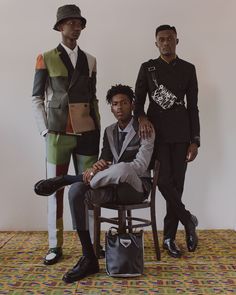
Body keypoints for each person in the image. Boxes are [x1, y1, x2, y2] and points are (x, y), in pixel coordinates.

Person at [34, 84, 155, 282]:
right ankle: (88, 257)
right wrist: (99, 165)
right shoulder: (108, 131)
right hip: (110, 186)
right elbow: (105, 160)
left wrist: (106, 169)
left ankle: (66, 178)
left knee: (124, 168)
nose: (119, 107)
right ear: (110, 107)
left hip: (135, 187)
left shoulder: (145, 128)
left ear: (132, 105)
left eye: (124, 103)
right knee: (76, 191)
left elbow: (140, 167)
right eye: (115, 104)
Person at [32, 4, 100, 265]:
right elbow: (36, 97)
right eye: (70, 22)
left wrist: (96, 127)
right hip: (58, 134)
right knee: (54, 190)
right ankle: (54, 245)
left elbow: (93, 98)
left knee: (89, 188)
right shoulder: (45, 57)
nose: (75, 26)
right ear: (60, 27)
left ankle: (93, 242)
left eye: (78, 22)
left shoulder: (91, 60)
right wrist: (45, 129)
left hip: (87, 133)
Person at [134, 25, 200, 258]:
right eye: (161, 39)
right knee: (162, 182)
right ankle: (188, 219)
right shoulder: (148, 68)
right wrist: (141, 118)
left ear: (177, 41)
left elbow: (192, 107)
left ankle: (169, 238)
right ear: (156, 43)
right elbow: (137, 102)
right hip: (157, 135)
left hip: (182, 135)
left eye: (170, 39)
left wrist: (195, 140)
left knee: (177, 185)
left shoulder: (188, 69)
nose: (166, 43)